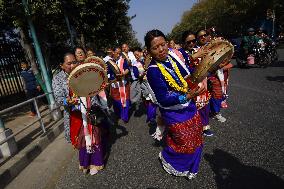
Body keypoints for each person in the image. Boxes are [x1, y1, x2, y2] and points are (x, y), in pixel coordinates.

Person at [145, 29, 205, 179]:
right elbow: (163, 98)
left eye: (163, 44)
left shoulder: (172, 57)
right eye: (155, 47)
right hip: (173, 111)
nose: (161, 49)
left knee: (196, 135)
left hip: (189, 105)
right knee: (185, 141)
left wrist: (202, 73)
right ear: (149, 51)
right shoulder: (153, 71)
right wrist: (186, 96)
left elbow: (186, 74)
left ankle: (191, 164)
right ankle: (172, 161)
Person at [52, 52, 108, 175]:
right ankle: (85, 163)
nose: (72, 65)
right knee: (82, 140)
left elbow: (93, 88)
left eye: (74, 62)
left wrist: (100, 88)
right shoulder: (57, 78)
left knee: (94, 137)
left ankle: (96, 163)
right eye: (69, 63)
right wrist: (68, 101)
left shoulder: (83, 72)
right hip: (74, 116)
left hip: (89, 111)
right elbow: (58, 97)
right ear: (62, 65)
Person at [182, 30, 213, 136]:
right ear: (183, 43)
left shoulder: (198, 49)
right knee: (192, 107)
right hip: (188, 84)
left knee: (204, 105)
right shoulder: (180, 53)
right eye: (188, 42)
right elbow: (180, 66)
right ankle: (193, 127)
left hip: (201, 81)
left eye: (193, 41)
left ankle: (205, 126)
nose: (191, 44)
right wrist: (193, 57)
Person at [106, 47, 130, 123]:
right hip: (114, 85)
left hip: (123, 84)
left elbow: (127, 69)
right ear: (113, 52)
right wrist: (111, 78)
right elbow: (108, 74)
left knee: (125, 101)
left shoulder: (123, 60)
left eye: (120, 53)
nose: (118, 54)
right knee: (117, 102)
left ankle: (125, 117)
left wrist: (123, 74)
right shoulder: (109, 63)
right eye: (117, 52)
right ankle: (118, 114)